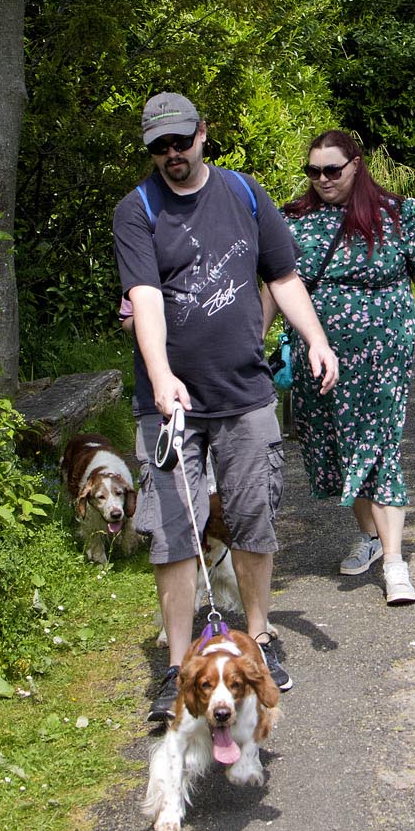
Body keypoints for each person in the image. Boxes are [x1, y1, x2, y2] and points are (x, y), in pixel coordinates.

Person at [113, 92, 339, 722]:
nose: (172, 154)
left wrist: (316, 339)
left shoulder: (244, 193)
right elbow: (144, 297)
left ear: (203, 134)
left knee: (252, 518)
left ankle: (258, 641)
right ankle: (179, 666)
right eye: (160, 147)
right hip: (169, 405)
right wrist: (161, 376)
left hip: (244, 393)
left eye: (181, 141)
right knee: (174, 533)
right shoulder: (137, 210)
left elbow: (283, 277)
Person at [272, 131, 415, 606]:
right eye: (313, 171)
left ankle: (394, 563)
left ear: (356, 164)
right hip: (317, 357)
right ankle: (369, 537)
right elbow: (276, 286)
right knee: (340, 445)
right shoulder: (293, 219)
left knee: (379, 445)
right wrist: (249, 349)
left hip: (381, 355)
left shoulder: (397, 213)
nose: (323, 179)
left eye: (332, 170)